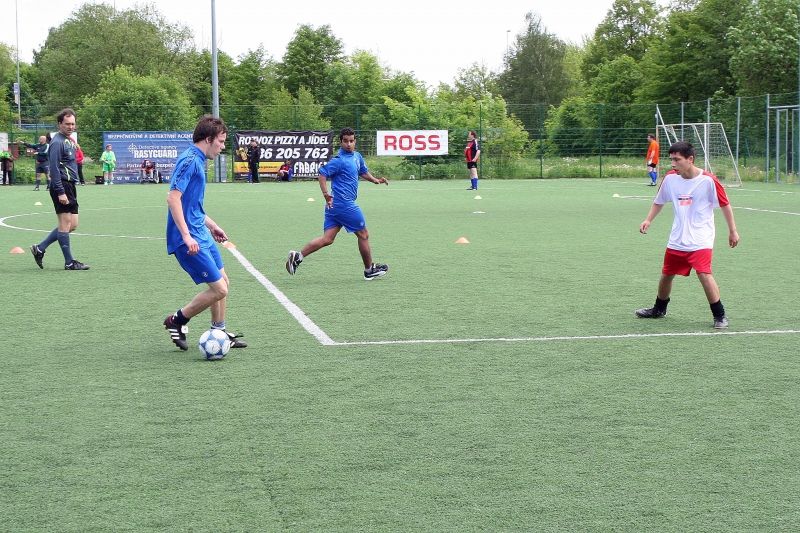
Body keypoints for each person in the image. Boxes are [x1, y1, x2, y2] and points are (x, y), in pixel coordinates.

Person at [163, 115, 247, 352]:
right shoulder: (190, 160)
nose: (222, 147)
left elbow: (192, 206)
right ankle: (176, 320)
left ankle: (219, 331)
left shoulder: (199, 161)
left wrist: (212, 225)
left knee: (224, 283)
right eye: (220, 141)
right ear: (208, 139)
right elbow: (173, 199)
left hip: (202, 233)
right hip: (188, 238)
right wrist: (186, 235)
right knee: (219, 289)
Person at [635, 141, 739, 329]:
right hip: (677, 238)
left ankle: (720, 315)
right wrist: (648, 220)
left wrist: (733, 231)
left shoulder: (708, 180)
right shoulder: (670, 179)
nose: (673, 164)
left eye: (677, 160)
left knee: (704, 274)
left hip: (701, 238)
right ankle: (659, 309)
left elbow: (725, 205)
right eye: (671, 160)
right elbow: (659, 201)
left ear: (690, 159)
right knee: (667, 274)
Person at [286, 127, 389, 281]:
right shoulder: (339, 161)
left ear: (355, 141)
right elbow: (322, 174)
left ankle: (298, 256)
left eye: (351, 141)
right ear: (340, 142)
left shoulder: (357, 156)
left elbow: (362, 171)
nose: (349, 144)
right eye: (345, 141)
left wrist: (375, 180)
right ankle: (369, 270)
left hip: (334, 207)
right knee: (364, 235)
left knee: (328, 239)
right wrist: (325, 193)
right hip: (343, 204)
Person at [29, 108, 90, 271]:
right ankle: (69, 262)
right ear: (59, 124)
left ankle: (40, 248)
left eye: (73, 124)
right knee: (64, 225)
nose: (71, 127)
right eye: (67, 124)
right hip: (61, 186)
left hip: (70, 186)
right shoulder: (57, 142)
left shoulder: (67, 140)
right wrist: (61, 191)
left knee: (72, 225)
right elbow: (54, 169)